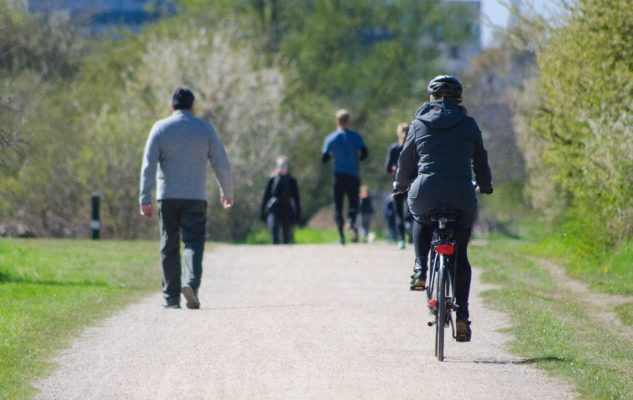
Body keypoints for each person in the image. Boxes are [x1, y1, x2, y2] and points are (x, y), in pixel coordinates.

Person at [394, 75, 493, 342]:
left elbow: (405, 162)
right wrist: (485, 185)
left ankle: (420, 269)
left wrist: (400, 185)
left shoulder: (418, 124)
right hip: (461, 195)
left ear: (431, 98)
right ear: (458, 99)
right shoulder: (469, 124)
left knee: (419, 216)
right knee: (460, 255)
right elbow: (480, 160)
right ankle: (462, 316)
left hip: (425, 192)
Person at [139, 87, 234, 310]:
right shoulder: (205, 129)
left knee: (168, 245)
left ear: (172, 106)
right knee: (193, 242)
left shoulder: (160, 128)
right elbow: (221, 162)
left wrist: (144, 197)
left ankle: (171, 298)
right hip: (194, 196)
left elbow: (148, 165)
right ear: (192, 106)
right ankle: (190, 284)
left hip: (167, 196)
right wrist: (227, 192)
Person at [322, 109, 369, 244]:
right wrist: (357, 159)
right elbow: (365, 152)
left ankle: (342, 237)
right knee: (354, 203)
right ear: (349, 121)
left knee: (338, 206)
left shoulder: (331, 138)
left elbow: (324, 159)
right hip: (353, 175)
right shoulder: (355, 136)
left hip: (338, 176)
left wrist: (333, 155)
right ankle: (352, 221)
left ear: (336, 121)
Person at [260, 156, 301, 244]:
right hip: (274, 208)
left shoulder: (292, 181)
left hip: (286, 209)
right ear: (277, 167)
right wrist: (262, 211)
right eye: (280, 166)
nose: (282, 168)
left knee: (286, 234)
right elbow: (265, 196)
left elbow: (296, 199)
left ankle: (285, 253)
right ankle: (275, 252)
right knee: (274, 229)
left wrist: (298, 214)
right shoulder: (272, 180)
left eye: (284, 165)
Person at [384, 122, 411, 250]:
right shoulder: (414, 148)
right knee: (412, 210)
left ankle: (401, 239)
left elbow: (387, 168)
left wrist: (394, 169)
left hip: (397, 184)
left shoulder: (394, 149)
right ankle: (409, 226)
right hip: (412, 183)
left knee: (399, 212)